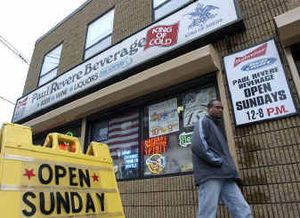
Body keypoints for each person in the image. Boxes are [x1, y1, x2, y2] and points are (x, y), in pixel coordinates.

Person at [191, 99, 252, 218]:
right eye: (217, 107)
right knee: (207, 212)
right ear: (209, 109)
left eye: (222, 108)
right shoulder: (203, 121)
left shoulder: (217, 127)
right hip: (211, 175)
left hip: (226, 175)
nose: (220, 110)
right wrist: (217, 161)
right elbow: (198, 145)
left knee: (242, 208)